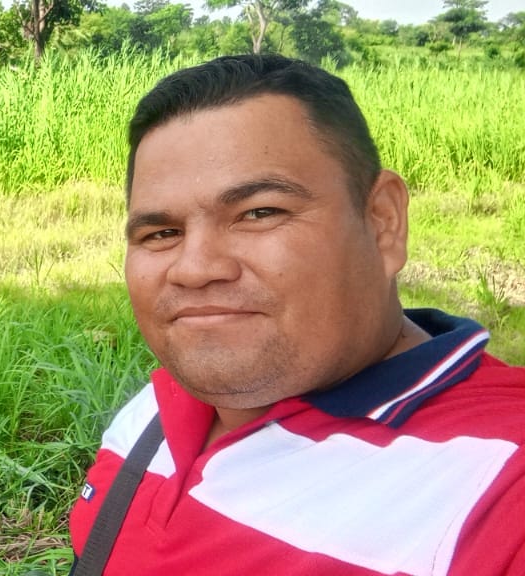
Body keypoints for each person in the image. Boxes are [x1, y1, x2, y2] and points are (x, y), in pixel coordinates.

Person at [69, 54, 525, 576]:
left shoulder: (500, 482)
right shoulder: (153, 408)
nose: (195, 269)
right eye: (162, 233)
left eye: (260, 212)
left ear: (382, 223)